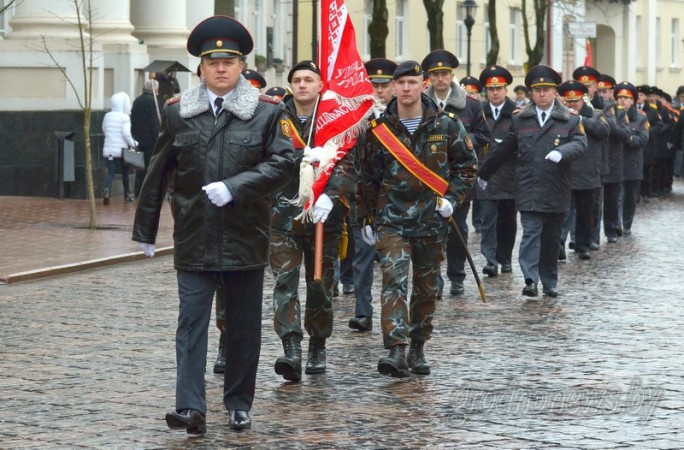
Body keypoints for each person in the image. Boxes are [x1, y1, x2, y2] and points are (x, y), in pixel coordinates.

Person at [132, 15, 295, 434]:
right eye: (211, 62)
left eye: (229, 61)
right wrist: (145, 231)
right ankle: (190, 408)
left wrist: (237, 187)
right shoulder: (177, 113)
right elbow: (157, 172)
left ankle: (239, 402)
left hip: (245, 235)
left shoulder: (265, 113)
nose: (220, 68)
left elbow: (285, 164)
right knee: (190, 324)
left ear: (241, 66)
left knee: (242, 330)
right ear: (201, 69)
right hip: (194, 235)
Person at [359, 60, 478, 377]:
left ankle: (417, 346)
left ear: (423, 85)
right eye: (401, 84)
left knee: (426, 289)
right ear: (394, 88)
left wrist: (452, 200)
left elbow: (467, 168)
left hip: (431, 220)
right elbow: (367, 177)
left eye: (413, 82)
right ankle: (396, 350)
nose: (407, 89)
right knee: (394, 281)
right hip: (392, 218)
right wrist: (367, 219)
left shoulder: (447, 126)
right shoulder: (379, 131)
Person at [270, 60, 353, 383]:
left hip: (323, 218)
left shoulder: (336, 119)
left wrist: (331, 194)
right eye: (297, 80)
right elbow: (264, 158)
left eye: (309, 80)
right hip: (283, 214)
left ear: (321, 85)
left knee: (319, 285)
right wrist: (300, 159)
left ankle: (318, 343)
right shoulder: (275, 117)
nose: (303, 85)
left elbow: (350, 161)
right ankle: (291, 348)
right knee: (284, 284)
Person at [478, 65, 587, 298]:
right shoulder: (520, 120)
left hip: (556, 188)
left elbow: (581, 143)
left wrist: (564, 151)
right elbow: (504, 150)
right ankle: (530, 279)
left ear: (555, 92)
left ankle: (549, 281)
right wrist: (484, 173)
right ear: (531, 93)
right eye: (537, 90)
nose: (542, 94)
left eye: (546, 89)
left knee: (551, 239)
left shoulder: (569, 119)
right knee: (530, 234)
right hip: (528, 187)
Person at [422, 49, 490, 296]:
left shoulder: (470, 105)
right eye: (435, 74)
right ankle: (435, 278)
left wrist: (459, 140)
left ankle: (457, 275)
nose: (440, 79)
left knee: (458, 228)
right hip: (428, 177)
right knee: (431, 229)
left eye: (445, 74)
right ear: (429, 78)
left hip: (459, 178)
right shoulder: (420, 103)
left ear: (452, 75)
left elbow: (484, 136)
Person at [347, 57, 397, 332]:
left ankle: (394, 313)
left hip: (394, 200)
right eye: (373, 85)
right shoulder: (355, 118)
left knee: (393, 261)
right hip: (363, 198)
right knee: (363, 259)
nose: (379, 91)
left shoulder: (401, 115)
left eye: (384, 85)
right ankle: (363, 311)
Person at [557, 80, 610, 260]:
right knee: (562, 212)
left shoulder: (595, 114)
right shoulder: (559, 116)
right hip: (565, 170)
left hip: (588, 171)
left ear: (583, 100)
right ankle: (559, 246)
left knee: (585, 212)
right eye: (568, 101)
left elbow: (603, 132)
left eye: (575, 101)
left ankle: (582, 245)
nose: (572, 105)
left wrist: (580, 119)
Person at [477, 65, 517, 276]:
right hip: (485, 176)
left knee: (508, 221)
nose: (494, 93)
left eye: (499, 88)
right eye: (491, 89)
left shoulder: (516, 115)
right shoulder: (479, 113)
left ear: (505, 90)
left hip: (509, 176)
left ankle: (505, 258)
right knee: (487, 220)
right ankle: (490, 260)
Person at [615, 82, 650, 235]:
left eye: (626, 97)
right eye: (620, 97)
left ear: (633, 100)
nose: (622, 100)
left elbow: (643, 139)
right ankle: (616, 224)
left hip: (632, 163)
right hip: (615, 162)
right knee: (616, 196)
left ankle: (627, 223)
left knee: (630, 196)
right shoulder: (612, 116)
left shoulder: (641, 118)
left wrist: (628, 139)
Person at [102, 91, 137, 205]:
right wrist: (134, 144)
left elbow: (104, 129)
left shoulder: (107, 116)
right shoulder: (125, 117)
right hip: (122, 151)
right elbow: (127, 134)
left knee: (111, 171)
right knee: (124, 172)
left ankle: (107, 191)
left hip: (109, 150)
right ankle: (127, 195)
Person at [131, 79, 161, 198]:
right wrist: (158, 140)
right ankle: (147, 191)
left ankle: (137, 190)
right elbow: (154, 123)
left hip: (138, 140)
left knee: (139, 168)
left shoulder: (137, 101)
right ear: (155, 89)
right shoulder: (152, 102)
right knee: (149, 168)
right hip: (150, 142)